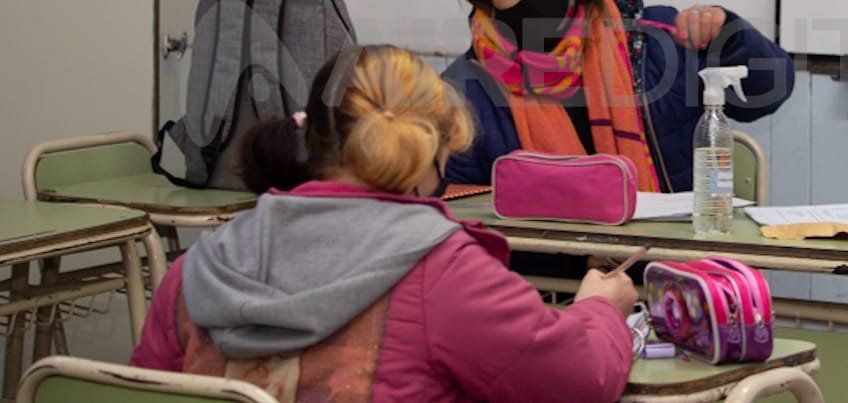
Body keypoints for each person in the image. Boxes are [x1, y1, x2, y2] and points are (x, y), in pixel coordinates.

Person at [131, 45, 637, 403]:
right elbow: (577, 381)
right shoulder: (442, 271)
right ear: (433, 147)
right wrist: (599, 309)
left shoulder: (202, 265)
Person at [443, 0, 795, 192]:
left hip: (668, 262)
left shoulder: (655, 42)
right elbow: (461, 211)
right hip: (543, 271)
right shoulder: (467, 89)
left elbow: (768, 92)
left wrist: (727, 34)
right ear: (489, 0)